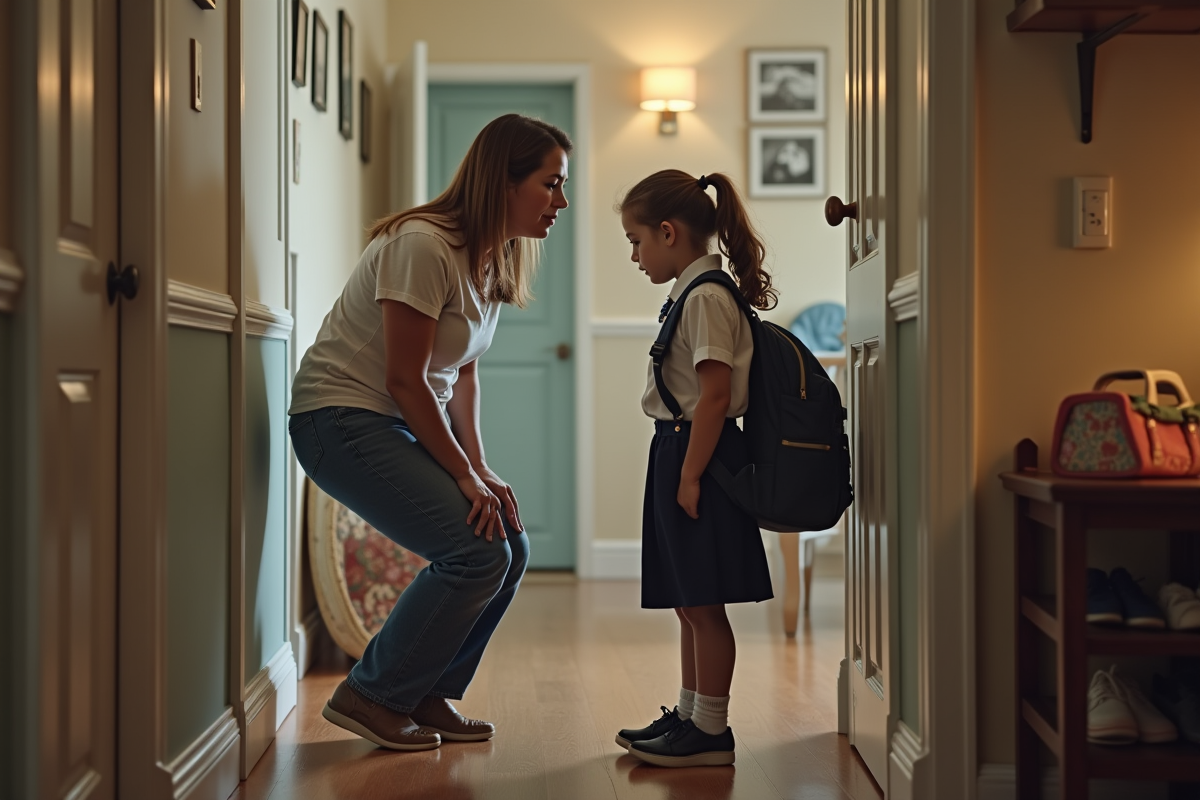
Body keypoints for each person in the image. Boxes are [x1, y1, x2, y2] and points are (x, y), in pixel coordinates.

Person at [288, 114, 572, 751]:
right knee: (476, 553)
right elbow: (405, 380)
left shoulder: (493, 258)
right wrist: (463, 475)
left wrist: (482, 467)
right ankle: (371, 694)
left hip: (397, 420)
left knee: (510, 542)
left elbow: (462, 375)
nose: (561, 201)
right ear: (504, 181)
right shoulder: (422, 245)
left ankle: (424, 692)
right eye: (551, 184)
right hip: (338, 418)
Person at [614, 170, 775, 768]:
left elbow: (714, 396)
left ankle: (711, 730)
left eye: (636, 241)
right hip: (679, 449)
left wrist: (689, 475)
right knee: (689, 599)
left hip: (697, 455)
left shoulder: (705, 297)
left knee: (704, 603)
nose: (635, 256)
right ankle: (689, 715)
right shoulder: (693, 293)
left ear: (668, 232)